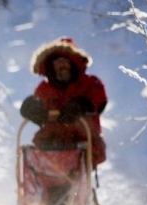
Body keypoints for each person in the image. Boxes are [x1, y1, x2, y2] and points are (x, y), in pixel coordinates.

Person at [20, 37, 108, 168]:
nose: (62, 65)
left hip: (83, 145)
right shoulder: (44, 89)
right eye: (57, 61)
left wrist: (82, 105)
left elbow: (98, 99)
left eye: (65, 60)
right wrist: (32, 108)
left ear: (74, 62)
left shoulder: (90, 83)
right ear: (51, 66)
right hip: (51, 147)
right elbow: (39, 105)